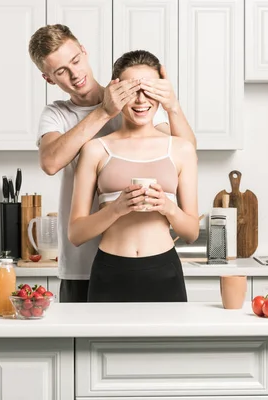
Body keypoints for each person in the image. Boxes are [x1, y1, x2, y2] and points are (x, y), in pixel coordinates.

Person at [28, 24, 196, 303]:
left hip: (152, 258)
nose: (75, 74)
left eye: (76, 61)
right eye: (61, 71)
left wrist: (172, 106)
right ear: (48, 78)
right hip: (83, 263)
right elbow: (50, 162)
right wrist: (105, 111)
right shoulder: (57, 115)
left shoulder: (135, 102)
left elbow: (185, 149)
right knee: (86, 346)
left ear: (84, 52)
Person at [68, 50, 199, 302]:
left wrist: (168, 208)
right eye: (131, 91)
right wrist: (116, 209)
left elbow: (191, 232)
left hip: (164, 272)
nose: (141, 100)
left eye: (149, 90)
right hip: (109, 273)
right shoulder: (95, 149)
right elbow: (76, 234)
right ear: (116, 92)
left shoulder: (181, 149)